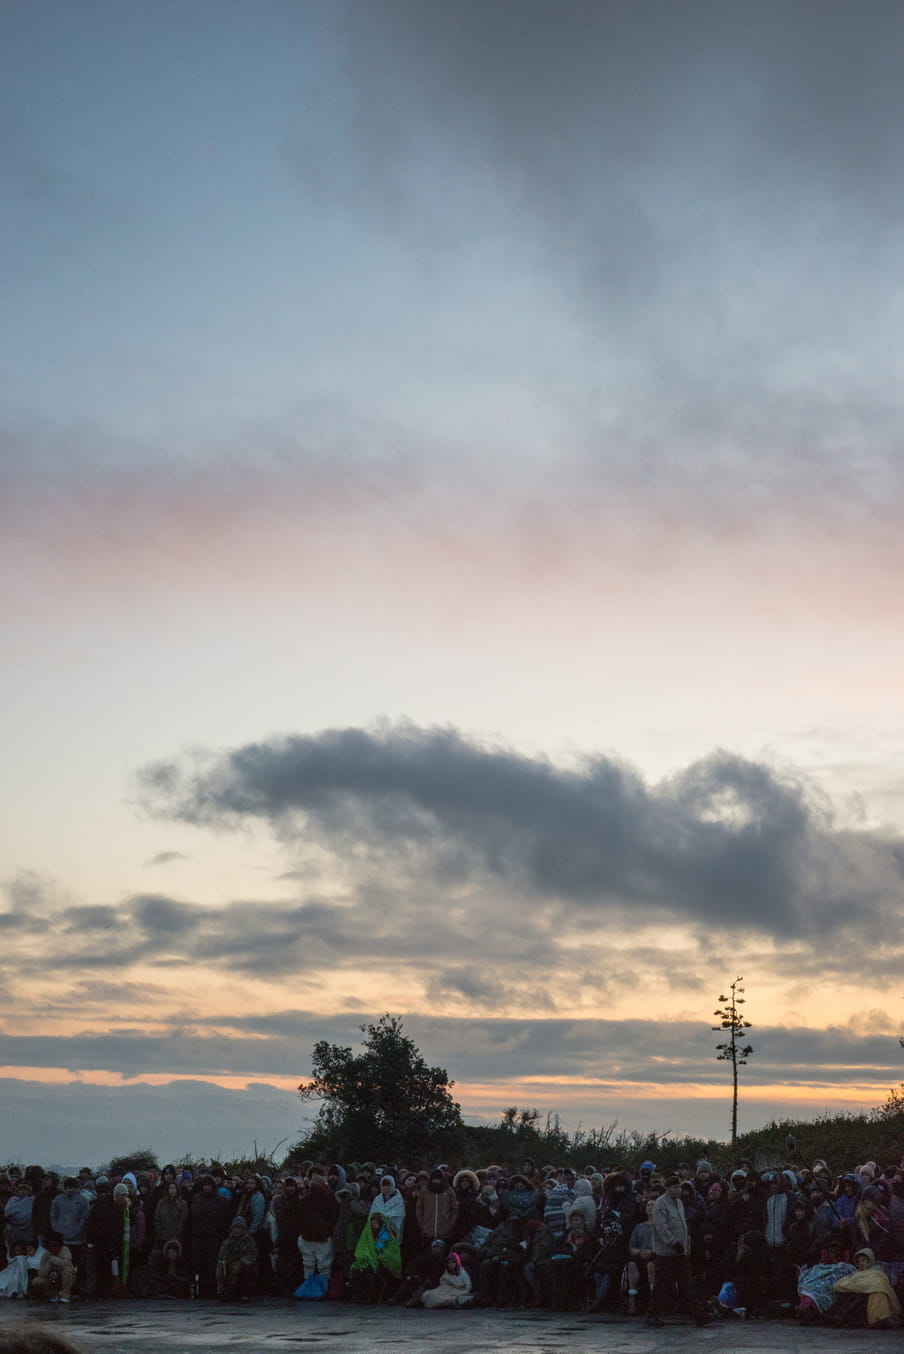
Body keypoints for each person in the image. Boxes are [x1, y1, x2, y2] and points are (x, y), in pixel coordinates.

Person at [646, 1176, 713, 1328]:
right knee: (661, 1286)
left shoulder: (679, 1203)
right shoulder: (660, 1204)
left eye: (679, 1187)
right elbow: (661, 1227)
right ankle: (652, 1314)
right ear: (667, 1188)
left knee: (688, 1285)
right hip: (665, 1253)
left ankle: (700, 1315)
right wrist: (672, 1242)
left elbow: (683, 1225)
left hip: (680, 1253)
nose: (678, 1190)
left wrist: (685, 1245)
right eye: (675, 1187)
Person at [832, 1246, 903, 1328]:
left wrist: (864, 1286)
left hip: (873, 1290)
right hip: (859, 1293)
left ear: (870, 1260)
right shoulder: (857, 1273)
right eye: (859, 1262)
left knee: (878, 1291)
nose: (861, 1263)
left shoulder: (877, 1272)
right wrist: (859, 1286)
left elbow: (879, 1283)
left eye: (863, 1260)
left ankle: (878, 1319)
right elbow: (840, 1284)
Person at [216, 1217, 257, 1303]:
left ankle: (245, 1294)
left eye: (239, 1228)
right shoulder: (227, 1241)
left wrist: (240, 1262)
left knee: (249, 1269)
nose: (237, 1230)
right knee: (227, 1298)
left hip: (242, 1268)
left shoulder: (249, 1241)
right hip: (230, 1270)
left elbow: (252, 1255)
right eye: (235, 1228)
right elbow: (222, 1257)